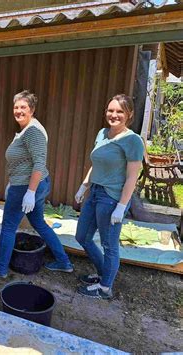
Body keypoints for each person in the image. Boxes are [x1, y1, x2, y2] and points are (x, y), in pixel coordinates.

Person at [0, 90, 73, 278]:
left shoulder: (33, 131)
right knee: (39, 223)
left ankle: (0, 268)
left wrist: (30, 192)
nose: (18, 110)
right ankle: (64, 261)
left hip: (26, 186)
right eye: (16, 107)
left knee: (8, 227)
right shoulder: (27, 129)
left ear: (32, 109)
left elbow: (39, 162)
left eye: (23, 107)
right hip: (28, 185)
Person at [74, 94, 144, 299]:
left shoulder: (133, 140)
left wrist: (122, 206)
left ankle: (105, 288)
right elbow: (97, 164)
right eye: (110, 110)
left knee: (109, 245)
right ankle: (104, 273)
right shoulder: (102, 133)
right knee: (82, 237)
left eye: (120, 111)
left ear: (129, 114)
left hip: (111, 198)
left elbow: (132, 176)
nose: (114, 115)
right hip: (95, 191)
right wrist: (83, 185)